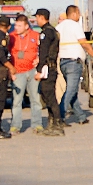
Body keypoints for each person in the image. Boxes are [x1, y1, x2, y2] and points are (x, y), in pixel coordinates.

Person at [57, 4, 93, 126]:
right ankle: (59, 116)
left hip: (63, 62)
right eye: (78, 13)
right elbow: (84, 44)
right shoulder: (75, 26)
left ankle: (81, 116)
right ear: (74, 13)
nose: (79, 15)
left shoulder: (59, 27)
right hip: (74, 62)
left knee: (73, 90)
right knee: (70, 90)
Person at [33, 8, 66, 136]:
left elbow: (44, 52)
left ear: (42, 17)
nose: (36, 20)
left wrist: (39, 70)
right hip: (51, 67)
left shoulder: (46, 33)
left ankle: (57, 123)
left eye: (37, 17)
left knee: (50, 97)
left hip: (47, 68)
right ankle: (52, 123)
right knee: (48, 96)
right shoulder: (53, 31)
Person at [6, 14, 41, 134]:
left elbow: (42, 49)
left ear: (26, 26)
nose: (16, 27)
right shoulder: (11, 37)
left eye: (19, 25)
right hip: (18, 72)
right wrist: (10, 70)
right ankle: (15, 125)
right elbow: (5, 54)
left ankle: (37, 124)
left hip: (32, 70)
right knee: (17, 101)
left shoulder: (35, 35)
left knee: (35, 98)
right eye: (16, 25)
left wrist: (39, 59)